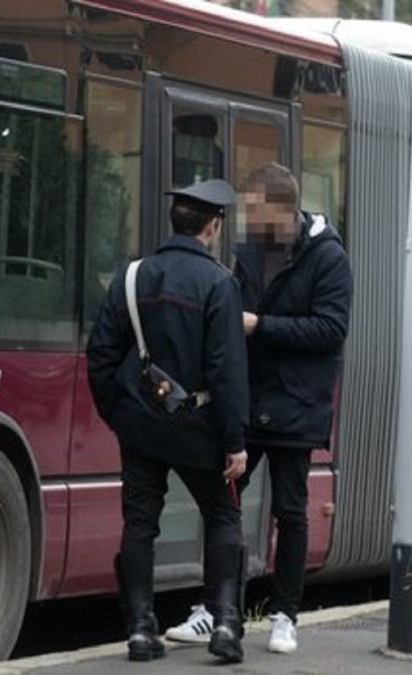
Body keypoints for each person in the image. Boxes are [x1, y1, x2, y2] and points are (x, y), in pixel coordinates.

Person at [166, 163, 352, 654]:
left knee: (290, 511)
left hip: (296, 403)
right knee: (222, 504)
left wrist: (260, 325)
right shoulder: (246, 253)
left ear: (281, 209)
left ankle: (285, 615)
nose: (244, 218)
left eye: (253, 208)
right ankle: (215, 609)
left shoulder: (329, 257)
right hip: (247, 399)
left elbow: (331, 330)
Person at [87, 179, 251, 664]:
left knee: (139, 521)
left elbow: (100, 355)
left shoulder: (132, 276)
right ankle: (225, 625)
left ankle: (140, 631)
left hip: (140, 425)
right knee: (223, 515)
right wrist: (234, 440)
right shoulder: (221, 285)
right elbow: (227, 373)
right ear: (213, 227)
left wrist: (117, 415)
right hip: (200, 427)